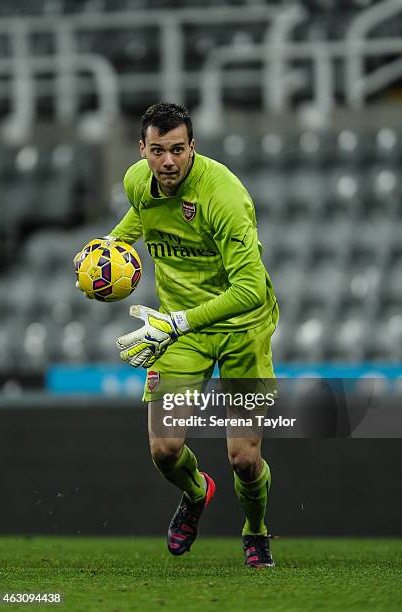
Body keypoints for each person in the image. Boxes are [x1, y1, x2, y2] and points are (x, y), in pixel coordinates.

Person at [81, 102, 279, 568]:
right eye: (157, 151)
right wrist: (105, 254)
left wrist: (180, 322)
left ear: (193, 147)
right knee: (165, 450)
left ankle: (256, 531)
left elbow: (250, 290)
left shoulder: (223, 196)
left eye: (176, 150)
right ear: (142, 150)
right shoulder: (137, 181)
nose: (167, 162)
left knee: (244, 459)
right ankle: (196, 493)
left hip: (240, 329)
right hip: (182, 332)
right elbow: (141, 217)